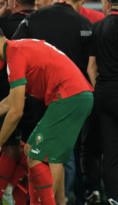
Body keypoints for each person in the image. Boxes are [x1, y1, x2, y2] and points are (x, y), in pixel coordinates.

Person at [0, 24, 94, 205]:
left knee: (36, 157)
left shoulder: (15, 56)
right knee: (39, 154)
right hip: (75, 97)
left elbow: (16, 111)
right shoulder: (18, 49)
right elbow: (11, 100)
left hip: (69, 98)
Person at [0, 0, 40, 204]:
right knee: (31, 147)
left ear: (13, 3)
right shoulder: (43, 22)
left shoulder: (2, 25)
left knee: (7, 148)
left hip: (8, 91)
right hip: (39, 95)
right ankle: (5, 193)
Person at [87, 0, 118, 204]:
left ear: (107, 4)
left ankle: (114, 198)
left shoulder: (97, 27)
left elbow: (91, 67)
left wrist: (100, 87)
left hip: (103, 92)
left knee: (110, 152)